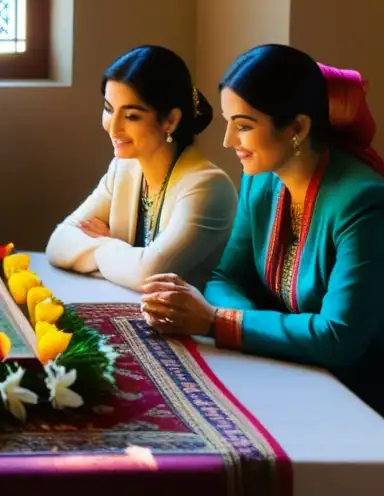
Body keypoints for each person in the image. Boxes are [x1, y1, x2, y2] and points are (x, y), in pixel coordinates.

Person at [141, 45, 384, 415]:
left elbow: (339, 337)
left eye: (243, 126)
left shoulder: (362, 203)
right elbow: (226, 278)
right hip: (291, 373)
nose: (227, 140)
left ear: (298, 128)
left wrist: (217, 321)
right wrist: (249, 330)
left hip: (358, 399)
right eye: (228, 122)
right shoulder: (262, 179)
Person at [46, 46, 237, 290]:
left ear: (170, 121)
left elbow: (149, 273)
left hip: (192, 325)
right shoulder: (124, 168)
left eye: (132, 116)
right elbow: (58, 243)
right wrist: (118, 251)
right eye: (108, 109)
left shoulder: (207, 187)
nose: (113, 128)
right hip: (130, 312)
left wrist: (107, 245)